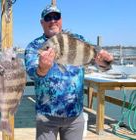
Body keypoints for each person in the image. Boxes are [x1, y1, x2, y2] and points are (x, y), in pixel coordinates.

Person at [24, 5, 113, 140]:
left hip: (75, 115)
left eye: (56, 17)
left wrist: (105, 62)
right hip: (46, 116)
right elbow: (32, 74)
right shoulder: (34, 46)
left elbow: (99, 63)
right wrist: (42, 68)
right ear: (42, 23)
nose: (52, 21)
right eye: (48, 18)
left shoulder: (78, 38)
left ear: (61, 20)